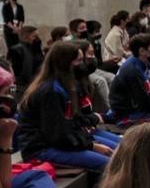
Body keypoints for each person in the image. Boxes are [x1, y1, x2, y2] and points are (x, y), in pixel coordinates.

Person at [15, 41, 119, 172]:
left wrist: (89, 142)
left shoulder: (64, 85)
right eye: (79, 61)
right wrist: (91, 146)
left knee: (121, 151)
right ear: (65, 63)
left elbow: (71, 123)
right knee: (111, 164)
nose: (82, 65)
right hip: (42, 150)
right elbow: (57, 135)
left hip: (62, 141)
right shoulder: (51, 91)